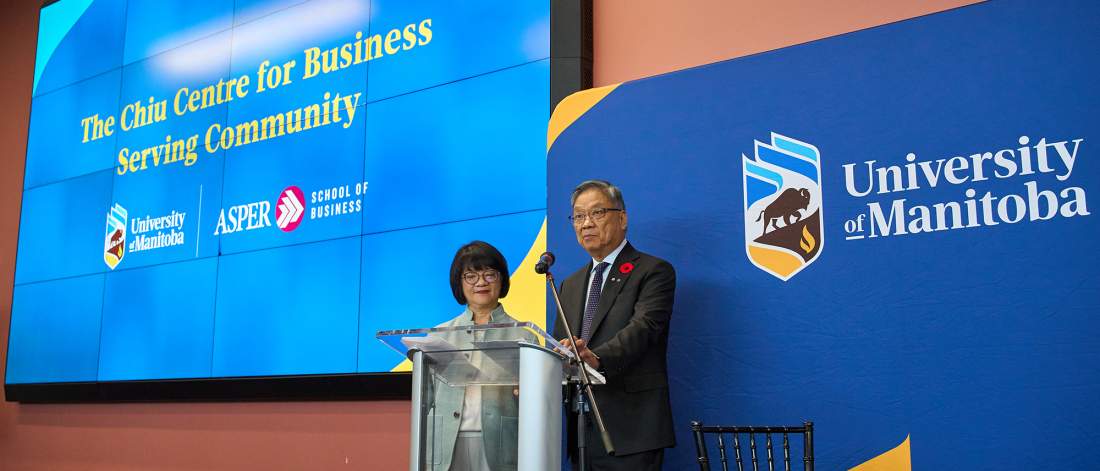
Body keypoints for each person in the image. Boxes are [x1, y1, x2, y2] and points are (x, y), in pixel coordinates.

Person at [554, 180, 677, 471]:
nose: (586, 224)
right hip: (582, 429)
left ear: (622, 218)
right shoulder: (569, 284)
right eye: (578, 216)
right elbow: (561, 346)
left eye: (596, 212)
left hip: (632, 427)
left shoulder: (653, 271)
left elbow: (643, 328)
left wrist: (598, 358)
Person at [429, 241, 537, 471]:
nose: (480, 282)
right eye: (471, 275)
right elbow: (426, 400)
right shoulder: (438, 336)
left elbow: (538, 404)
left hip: (503, 445)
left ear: (501, 280)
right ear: (459, 282)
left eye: (489, 274)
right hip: (446, 445)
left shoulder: (525, 337)